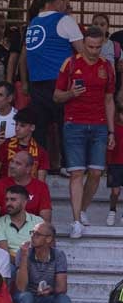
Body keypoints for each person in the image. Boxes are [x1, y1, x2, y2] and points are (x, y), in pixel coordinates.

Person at [56, 25, 116, 237]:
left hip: (99, 125)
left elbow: (109, 100)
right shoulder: (70, 63)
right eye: (90, 46)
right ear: (83, 44)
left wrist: (111, 132)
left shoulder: (108, 66)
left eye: (98, 47)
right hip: (74, 124)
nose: (93, 51)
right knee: (77, 173)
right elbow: (56, 96)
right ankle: (75, 222)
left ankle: (81, 210)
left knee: (97, 173)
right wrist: (71, 93)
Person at [25, 0, 84, 171]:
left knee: (40, 127)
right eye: (66, 2)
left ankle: (42, 167)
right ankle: (69, 165)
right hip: (59, 82)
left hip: (36, 82)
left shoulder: (33, 23)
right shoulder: (64, 20)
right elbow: (83, 52)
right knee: (65, 124)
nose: (67, 6)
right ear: (59, 1)